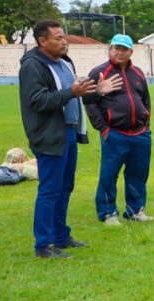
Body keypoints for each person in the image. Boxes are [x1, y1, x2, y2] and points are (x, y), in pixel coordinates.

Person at [18, 19, 121, 258]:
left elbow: (75, 91)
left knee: (65, 187)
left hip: (69, 132)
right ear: (42, 41)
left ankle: (61, 236)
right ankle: (43, 245)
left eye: (64, 37)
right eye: (58, 38)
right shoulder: (32, 66)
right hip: (50, 135)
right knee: (50, 190)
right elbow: (38, 101)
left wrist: (97, 89)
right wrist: (71, 92)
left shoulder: (63, 63)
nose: (64, 41)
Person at [84, 34, 154, 225]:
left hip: (140, 134)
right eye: (115, 48)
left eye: (123, 49)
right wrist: (103, 129)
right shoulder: (99, 73)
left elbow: (145, 100)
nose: (119, 52)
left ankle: (135, 211)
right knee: (109, 174)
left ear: (131, 52)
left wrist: (146, 123)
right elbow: (89, 103)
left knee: (138, 173)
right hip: (115, 134)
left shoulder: (138, 73)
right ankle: (108, 213)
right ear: (109, 49)